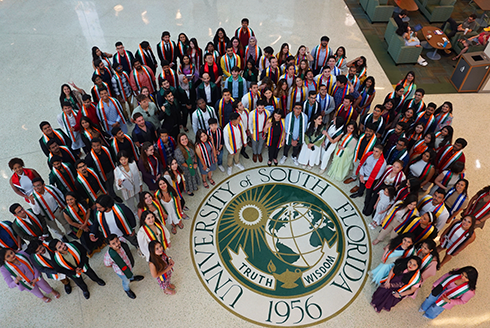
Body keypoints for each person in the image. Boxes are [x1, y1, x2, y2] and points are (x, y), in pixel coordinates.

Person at [104, 234, 144, 299]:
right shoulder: (108, 256)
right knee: (126, 281)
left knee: (131, 272)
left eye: (117, 241)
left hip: (129, 265)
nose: (117, 244)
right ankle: (127, 289)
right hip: (121, 272)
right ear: (110, 245)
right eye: (113, 243)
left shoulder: (122, 241)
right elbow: (107, 265)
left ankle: (132, 278)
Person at [114, 151, 142, 215]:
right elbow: (117, 185)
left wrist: (140, 185)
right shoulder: (117, 170)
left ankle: (141, 211)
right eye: (121, 160)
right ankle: (135, 213)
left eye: (125, 159)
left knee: (139, 201)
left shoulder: (133, 164)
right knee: (131, 204)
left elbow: (138, 175)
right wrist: (119, 184)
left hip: (136, 187)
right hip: (127, 190)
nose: (124, 161)